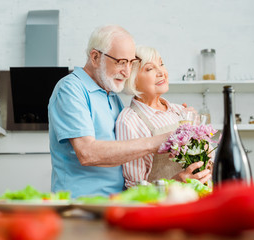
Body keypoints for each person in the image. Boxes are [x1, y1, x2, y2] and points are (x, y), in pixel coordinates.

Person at [48, 25, 172, 198]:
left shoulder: (112, 96)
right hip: (81, 204)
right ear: (95, 57)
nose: (127, 72)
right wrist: (157, 142)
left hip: (116, 202)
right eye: (121, 62)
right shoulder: (70, 89)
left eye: (131, 63)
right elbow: (87, 153)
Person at [115, 46, 212, 189]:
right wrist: (174, 183)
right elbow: (134, 188)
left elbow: (208, 159)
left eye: (161, 64)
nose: (161, 72)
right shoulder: (129, 121)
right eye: (149, 69)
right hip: (165, 208)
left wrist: (202, 142)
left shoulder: (180, 111)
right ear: (132, 79)